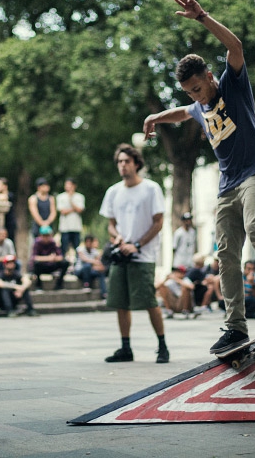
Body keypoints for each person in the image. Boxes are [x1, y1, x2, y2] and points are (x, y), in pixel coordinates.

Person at [142, 0, 255, 355]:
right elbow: (182, 112)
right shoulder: (197, 106)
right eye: (190, 92)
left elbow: (235, 46)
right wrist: (155, 118)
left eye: (198, 88)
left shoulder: (232, 85)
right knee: (225, 253)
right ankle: (235, 327)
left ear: (210, 77)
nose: (196, 97)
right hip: (228, 186)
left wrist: (203, 18)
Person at [99, 143, 169, 364]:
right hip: (121, 254)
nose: (122, 165)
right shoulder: (113, 191)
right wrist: (117, 238)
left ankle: (162, 346)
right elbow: (110, 224)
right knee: (120, 302)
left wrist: (137, 245)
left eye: (126, 161)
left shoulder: (151, 188)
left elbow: (158, 223)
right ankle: (126, 348)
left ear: (136, 163)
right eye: (119, 162)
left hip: (143, 255)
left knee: (149, 301)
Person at [30, 225, 69, 290]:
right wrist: (48, 258)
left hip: (51, 265)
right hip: (41, 267)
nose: (46, 238)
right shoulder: (37, 242)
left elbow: (61, 257)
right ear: (41, 235)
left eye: (47, 235)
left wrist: (54, 258)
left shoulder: (53, 242)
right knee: (36, 263)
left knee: (65, 263)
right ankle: (38, 286)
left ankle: (59, 285)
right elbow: (34, 257)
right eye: (44, 235)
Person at [56, 177, 85, 258]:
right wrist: (74, 209)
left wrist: (71, 201)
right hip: (65, 227)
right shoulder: (60, 197)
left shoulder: (80, 197)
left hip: (76, 227)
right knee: (64, 248)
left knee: (77, 248)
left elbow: (80, 210)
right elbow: (62, 211)